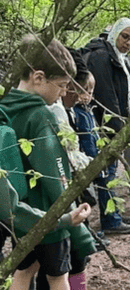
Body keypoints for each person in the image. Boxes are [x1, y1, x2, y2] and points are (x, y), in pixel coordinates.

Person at [0, 34, 95, 290]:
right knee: (58, 278)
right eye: (62, 85)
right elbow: (56, 177)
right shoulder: (42, 115)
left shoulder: (5, 107)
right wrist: (79, 230)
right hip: (49, 214)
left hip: (21, 216)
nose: (64, 92)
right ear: (38, 77)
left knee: (23, 271)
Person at [84, 17, 130, 234]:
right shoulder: (101, 56)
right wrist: (118, 128)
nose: (128, 42)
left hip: (112, 123)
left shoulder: (118, 58)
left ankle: (112, 214)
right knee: (106, 173)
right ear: (115, 33)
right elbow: (107, 95)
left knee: (111, 172)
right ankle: (110, 220)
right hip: (102, 124)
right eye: (125, 37)